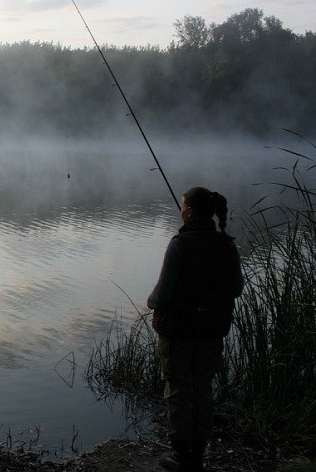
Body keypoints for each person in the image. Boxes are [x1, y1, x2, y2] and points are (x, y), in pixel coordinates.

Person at [148, 186, 243, 472]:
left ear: (189, 211)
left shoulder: (180, 244)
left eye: (182, 205)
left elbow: (162, 294)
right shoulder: (226, 244)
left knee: (177, 387)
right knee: (203, 387)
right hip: (212, 329)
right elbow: (236, 288)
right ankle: (199, 454)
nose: (180, 209)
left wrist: (150, 302)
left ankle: (181, 455)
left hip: (178, 330)